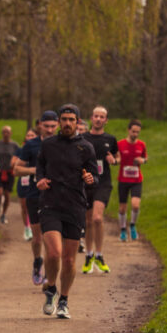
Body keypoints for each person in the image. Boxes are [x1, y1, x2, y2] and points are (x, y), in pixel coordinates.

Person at [35, 104, 97, 319]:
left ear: (78, 122)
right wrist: (40, 180)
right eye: (65, 119)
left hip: (75, 206)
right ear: (60, 121)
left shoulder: (86, 147)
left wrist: (90, 179)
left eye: (72, 119)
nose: (68, 123)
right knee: (53, 253)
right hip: (51, 204)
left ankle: (64, 300)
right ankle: (51, 288)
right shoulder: (49, 144)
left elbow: (94, 176)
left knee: (69, 260)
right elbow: (40, 166)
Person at [13, 111, 58, 286]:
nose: (49, 129)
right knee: (38, 237)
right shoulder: (31, 145)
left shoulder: (61, 143)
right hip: (34, 194)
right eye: (46, 126)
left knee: (51, 236)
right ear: (40, 125)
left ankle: (49, 269)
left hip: (55, 195)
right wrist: (36, 171)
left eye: (53, 126)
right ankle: (37, 260)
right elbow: (17, 170)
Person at [81, 106, 119, 273]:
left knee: (97, 218)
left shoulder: (110, 139)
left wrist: (114, 160)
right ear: (91, 118)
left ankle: (100, 254)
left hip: (103, 183)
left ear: (106, 120)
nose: (98, 119)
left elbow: (118, 156)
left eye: (101, 117)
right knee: (88, 221)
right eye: (96, 116)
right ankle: (89, 256)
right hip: (85, 183)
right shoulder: (82, 138)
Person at [117, 119, 147, 241]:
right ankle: (123, 229)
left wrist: (143, 161)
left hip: (136, 180)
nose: (135, 134)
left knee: (135, 205)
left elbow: (145, 158)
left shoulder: (141, 145)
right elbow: (117, 158)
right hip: (123, 180)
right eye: (133, 131)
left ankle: (133, 225)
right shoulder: (120, 144)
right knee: (122, 208)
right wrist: (115, 161)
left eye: (137, 132)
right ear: (128, 130)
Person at [0, 125, 19, 224]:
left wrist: (15, 164)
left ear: (10, 133)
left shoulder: (14, 145)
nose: (6, 134)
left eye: (8, 132)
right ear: (2, 133)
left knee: (7, 195)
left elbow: (19, 157)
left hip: (9, 173)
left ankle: (3, 214)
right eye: (4, 132)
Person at [19, 128, 38, 241]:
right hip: (23, 181)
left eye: (32, 135)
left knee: (32, 206)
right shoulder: (22, 150)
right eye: (28, 135)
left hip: (34, 182)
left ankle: (32, 227)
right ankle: (26, 227)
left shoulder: (40, 148)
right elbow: (13, 163)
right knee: (24, 206)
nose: (30, 137)